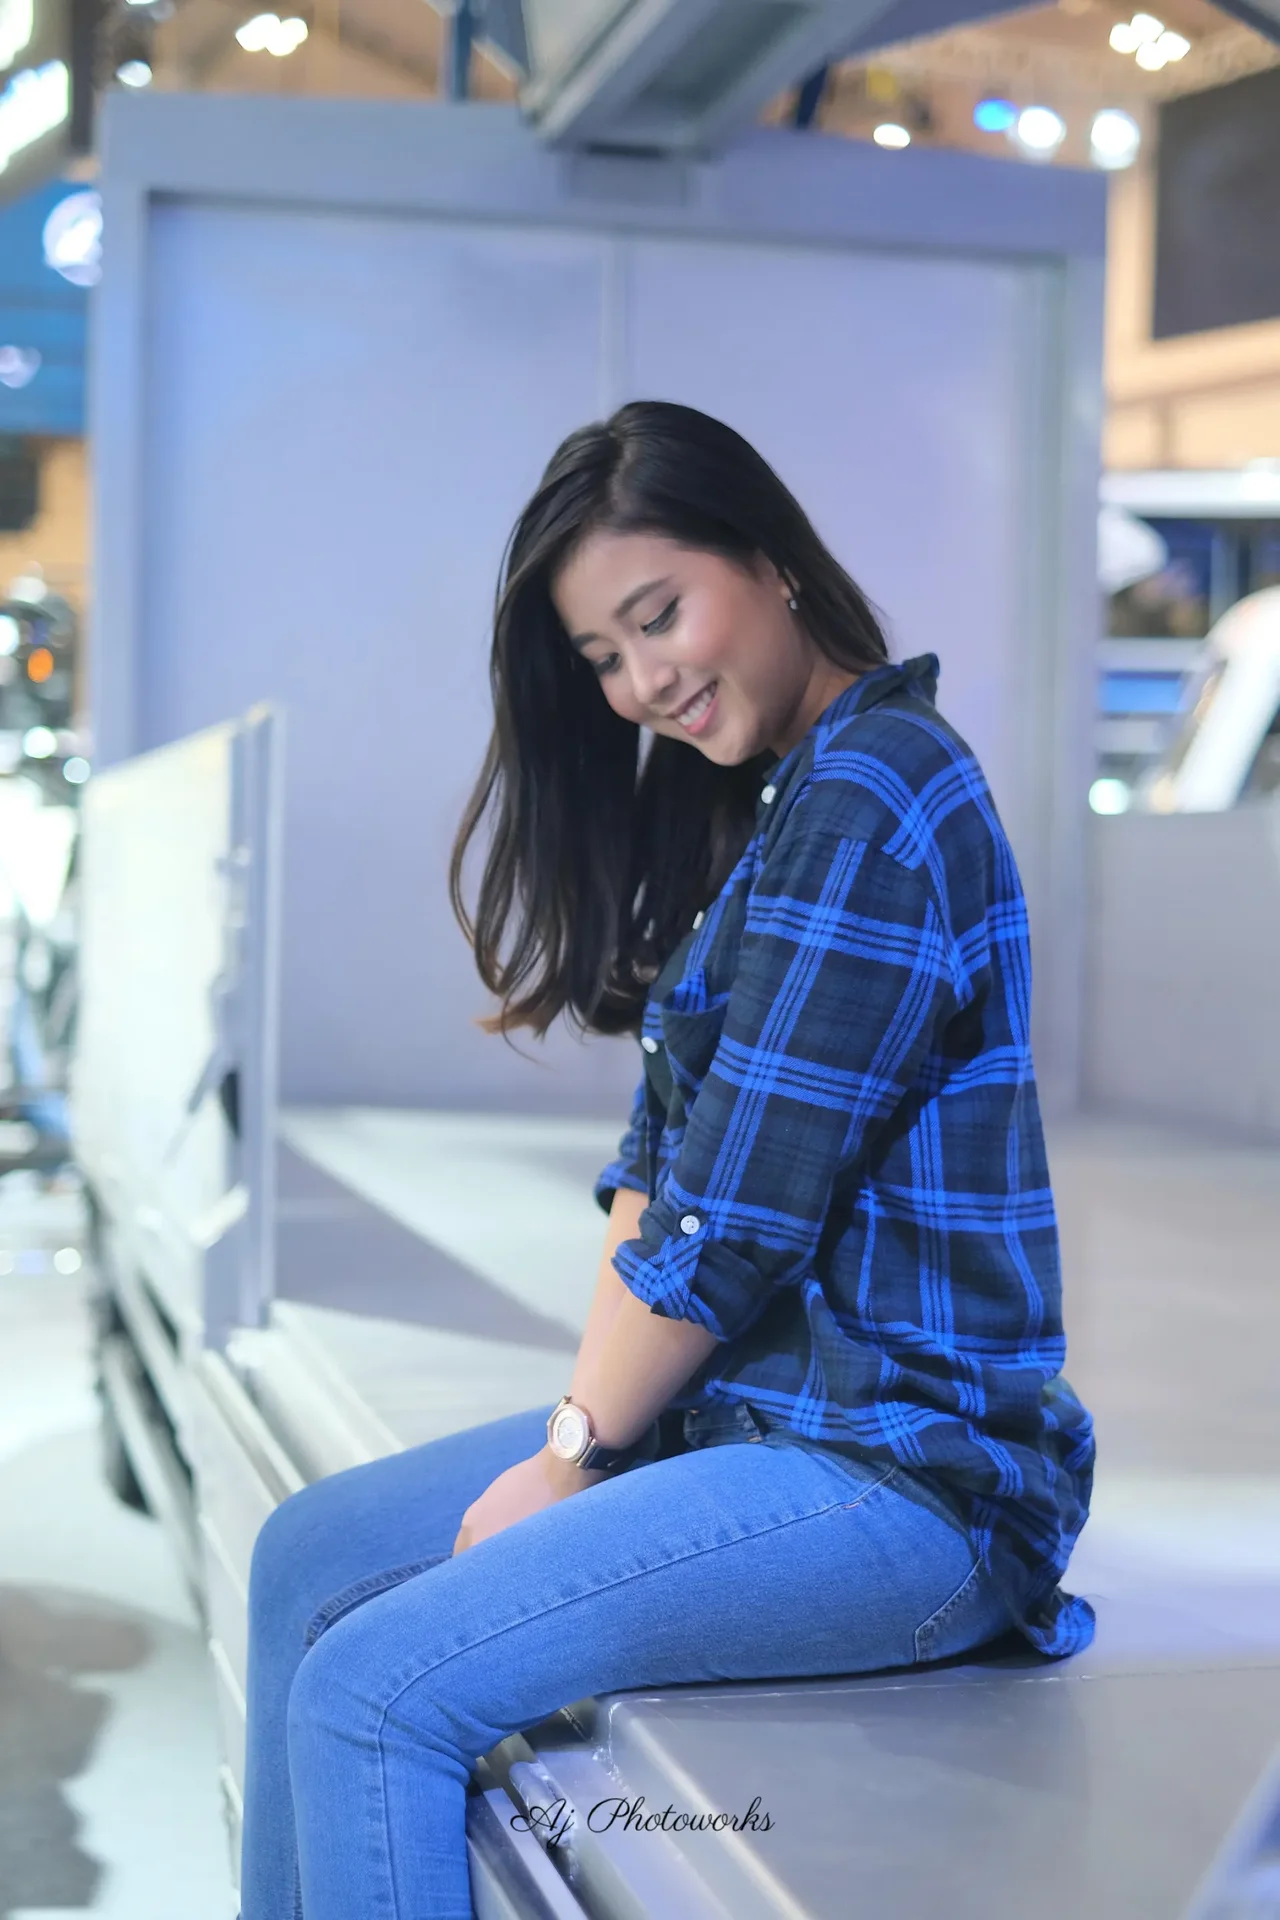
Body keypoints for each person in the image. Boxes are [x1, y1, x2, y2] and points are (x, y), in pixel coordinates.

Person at [239, 401, 1095, 1920]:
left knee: (375, 1691)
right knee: (309, 1553)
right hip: (749, 1425)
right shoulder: (771, 805)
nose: (643, 684)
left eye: (658, 617)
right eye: (603, 657)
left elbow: (728, 1221)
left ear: (769, 559)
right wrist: (588, 1435)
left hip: (906, 1479)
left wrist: (572, 1459)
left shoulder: (879, 795)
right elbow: (658, 1173)